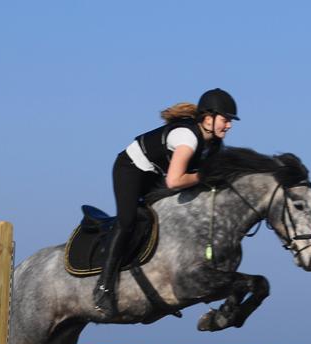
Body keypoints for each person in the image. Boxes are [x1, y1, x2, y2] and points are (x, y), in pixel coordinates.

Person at [94, 88, 239, 317]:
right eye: (226, 119)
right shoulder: (187, 138)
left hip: (156, 174)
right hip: (131, 169)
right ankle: (104, 286)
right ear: (208, 118)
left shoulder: (212, 144)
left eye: (230, 121)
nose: (229, 125)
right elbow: (174, 181)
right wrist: (205, 177)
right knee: (129, 220)